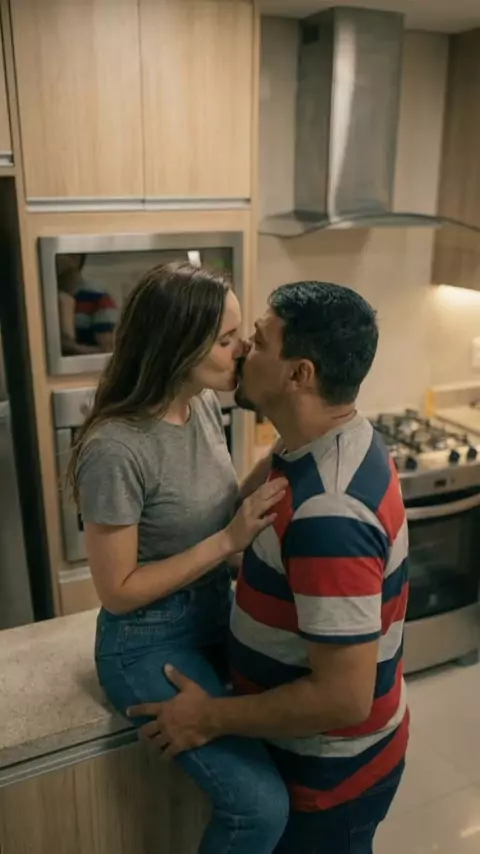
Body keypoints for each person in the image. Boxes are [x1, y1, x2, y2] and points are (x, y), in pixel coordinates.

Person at [128, 281, 410, 854]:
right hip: (321, 761)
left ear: (299, 374)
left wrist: (209, 718)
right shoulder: (316, 441)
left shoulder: (331, 513)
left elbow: (343, 698)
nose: (240, 351)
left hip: (330, 782)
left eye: (256, 341)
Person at [69, 261, 290, 854]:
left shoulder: (202, 404)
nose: (243, 349)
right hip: (148, 641)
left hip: (215, 612)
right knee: (260, 807)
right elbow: (118, 590)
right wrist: (227, 543)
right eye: (226, 339)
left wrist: (284, 454)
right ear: (177, 345)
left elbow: (209, 513)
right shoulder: (116, 447)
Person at [57, 253, 118, 355]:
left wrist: (69, 347)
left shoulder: (97, 296)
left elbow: (108, 352)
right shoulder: (43, 298)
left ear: (77, 258)